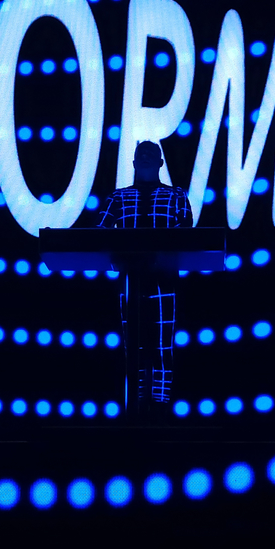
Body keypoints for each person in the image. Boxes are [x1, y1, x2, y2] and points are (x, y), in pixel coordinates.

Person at [96, 140, 194, 413]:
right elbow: (99, 232)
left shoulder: (176, 195)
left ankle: (161, 406)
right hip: (129, 280)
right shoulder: (117, 197)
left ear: (161, 162)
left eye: (152, 153)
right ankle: (135, 403)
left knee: (163, 345)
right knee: (133, 346)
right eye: (142, 153)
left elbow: (186, 230)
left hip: (165, 279)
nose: (146, 157)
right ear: (133, 162)